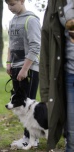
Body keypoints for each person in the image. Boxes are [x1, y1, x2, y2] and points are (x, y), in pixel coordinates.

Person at [5, 0, 41, 149]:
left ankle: (32, 139)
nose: (10, 7)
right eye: (7, 4)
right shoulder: (12, 21)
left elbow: (35, 46)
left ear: (22, 1)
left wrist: (25, 69)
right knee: (21, 106)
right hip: (16, 68)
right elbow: (11, 44)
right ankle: (27, 137)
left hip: (29, 69)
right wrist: (9, 62)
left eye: (13, 4)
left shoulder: (31, 20)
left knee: (29, 106)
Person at [39, 0, 74, 151]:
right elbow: (46, 44)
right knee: (72, 132)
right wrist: (46, 93)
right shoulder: (55, 2)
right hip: (69, 74)